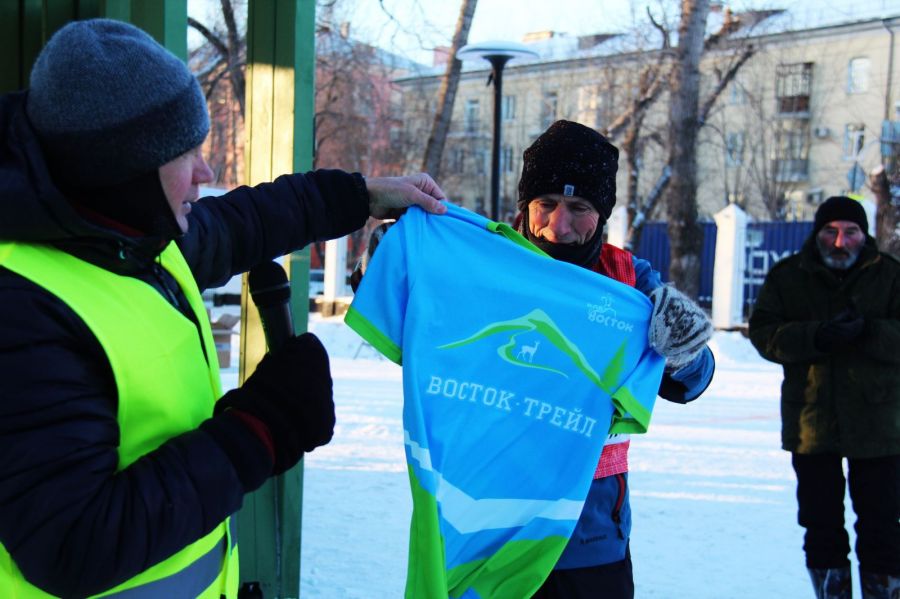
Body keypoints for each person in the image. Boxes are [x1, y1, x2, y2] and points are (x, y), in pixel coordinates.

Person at [0, 18, 445, 599]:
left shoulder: (131, 237)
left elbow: (247, 222)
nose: (206, 174)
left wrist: (360, 195)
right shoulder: (23, 309)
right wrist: (258, 428)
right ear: (124, 171)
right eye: (186, 155)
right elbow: (73, 545)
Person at [352, 120, 715, 598]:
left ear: (602, 214)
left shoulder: (627, 282)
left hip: (587, 537)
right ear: (526, 205)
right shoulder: (480, 262)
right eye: (546, 204)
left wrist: (685, 349)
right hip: (483, 519)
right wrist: (384, 262)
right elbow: (404, 318)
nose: (558, 226)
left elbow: (690, 383)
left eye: (579, 208)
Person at [748, 196, 900, 599]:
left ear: (864, 235)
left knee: (883, 526)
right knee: (820, 525)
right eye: (830, 231)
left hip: (880, 426)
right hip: (811, 424)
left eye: (850, 231)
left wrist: (869, 331)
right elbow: (763, 334)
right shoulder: (788, 276)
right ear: (817, 233)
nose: (840, 241)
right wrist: (816, 336)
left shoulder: (889, 275)